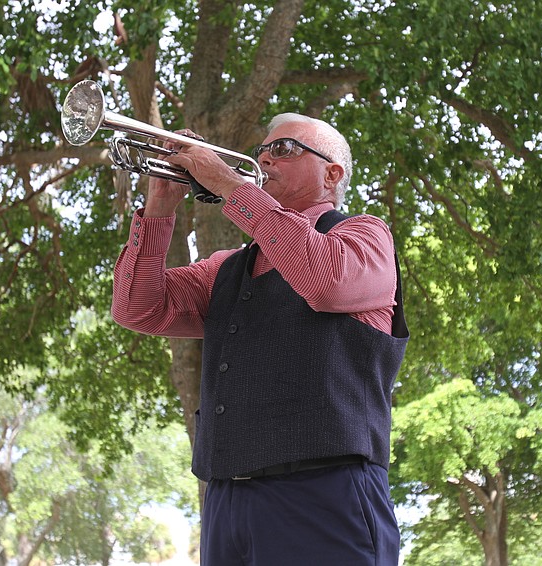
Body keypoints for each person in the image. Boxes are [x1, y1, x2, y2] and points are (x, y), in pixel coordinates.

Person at [111, 112, 409, 565]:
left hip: (325, 491)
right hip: (227, 500)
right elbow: (137, 308)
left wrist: (229, 184)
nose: (266, 157)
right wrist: (159, 206)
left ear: (332, 173)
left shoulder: (363, 236)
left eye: (285, 149)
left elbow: (323, 278)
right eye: (263, 150)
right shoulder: (227, 267)